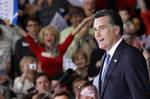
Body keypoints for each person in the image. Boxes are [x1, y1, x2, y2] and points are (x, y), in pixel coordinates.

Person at [93, 9, 150, 99]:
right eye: (95, 30)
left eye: (102, 28)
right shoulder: (105, 57)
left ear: (116, 30)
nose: (97, 34)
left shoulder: (130, 56)